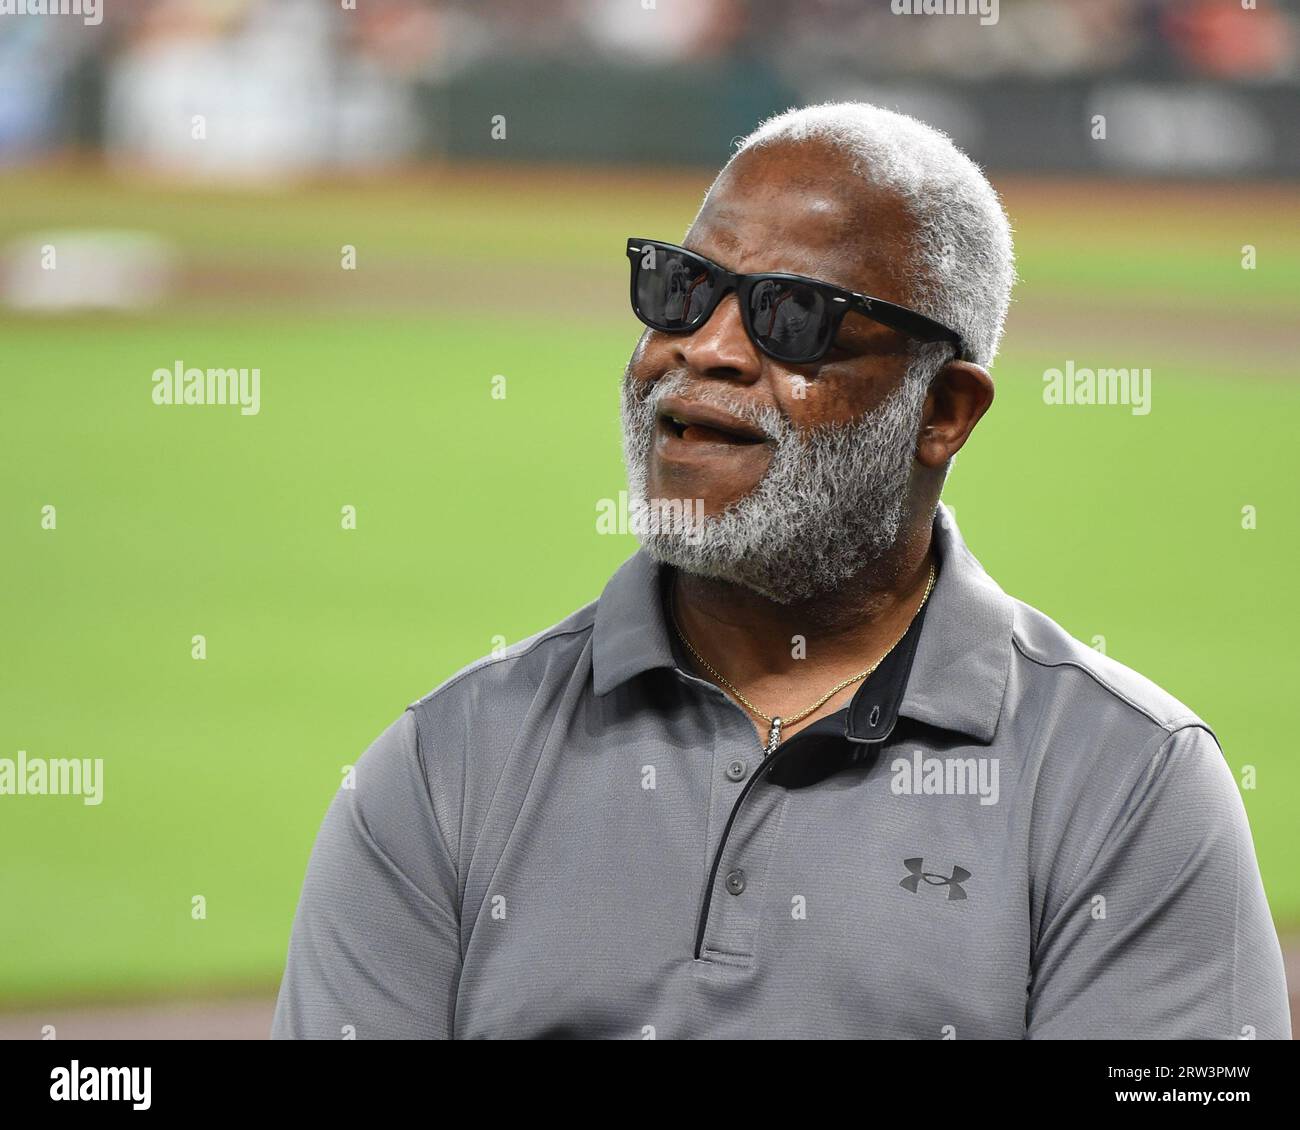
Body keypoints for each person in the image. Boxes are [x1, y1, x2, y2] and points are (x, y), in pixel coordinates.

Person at [271, 102, 1290, 1040]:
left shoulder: (1127, 785)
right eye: (682, 290)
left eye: (793, 314)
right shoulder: (444, 766)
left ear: (943, 412)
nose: (703, 349)